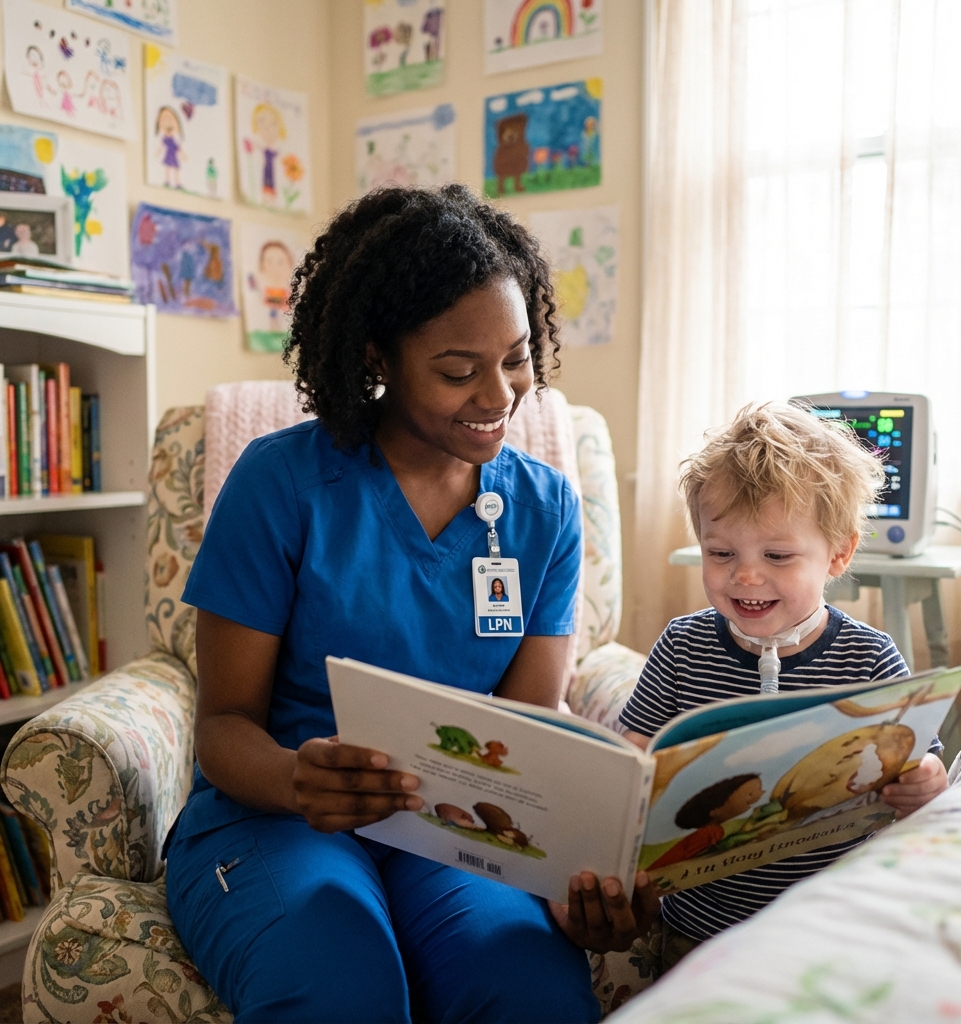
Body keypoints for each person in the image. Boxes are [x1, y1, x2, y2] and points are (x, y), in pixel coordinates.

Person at [164, 184, 657, 1024]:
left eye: (516, 358)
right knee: (340, 985)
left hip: (456, 826)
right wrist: (296, 778)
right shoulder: (280, 484)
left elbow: (528, 728)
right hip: (280, 814)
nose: (499, 396)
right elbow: (223, 726)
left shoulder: (544, 509)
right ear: (379, 359)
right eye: (459, 371)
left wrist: (574, 870)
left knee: (530, 990)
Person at [621, 402, 948, 952]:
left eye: (777, 555)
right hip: (697, 930)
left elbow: (924, 764)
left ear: (838, 554)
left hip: (827, 929)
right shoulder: (681, 646)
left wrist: (927, 783)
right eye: (720, 552)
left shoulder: (870, 659)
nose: (746, 575)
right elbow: (633, 754)